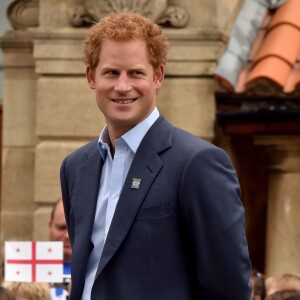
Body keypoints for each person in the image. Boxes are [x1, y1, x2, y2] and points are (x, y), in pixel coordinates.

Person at [60, 12, 252, 300]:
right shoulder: (75, 167)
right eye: (111, 72)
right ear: (91, 77)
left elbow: (230, 288)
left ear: (158, 76)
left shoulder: (197, 163)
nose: (123, 86)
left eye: (136, 73)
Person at [48, 199, 71, 299]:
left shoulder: (97, 271)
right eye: (61, 228)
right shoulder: (27, 269)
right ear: (50, 227)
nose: (67, 235)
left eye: (73, 229)